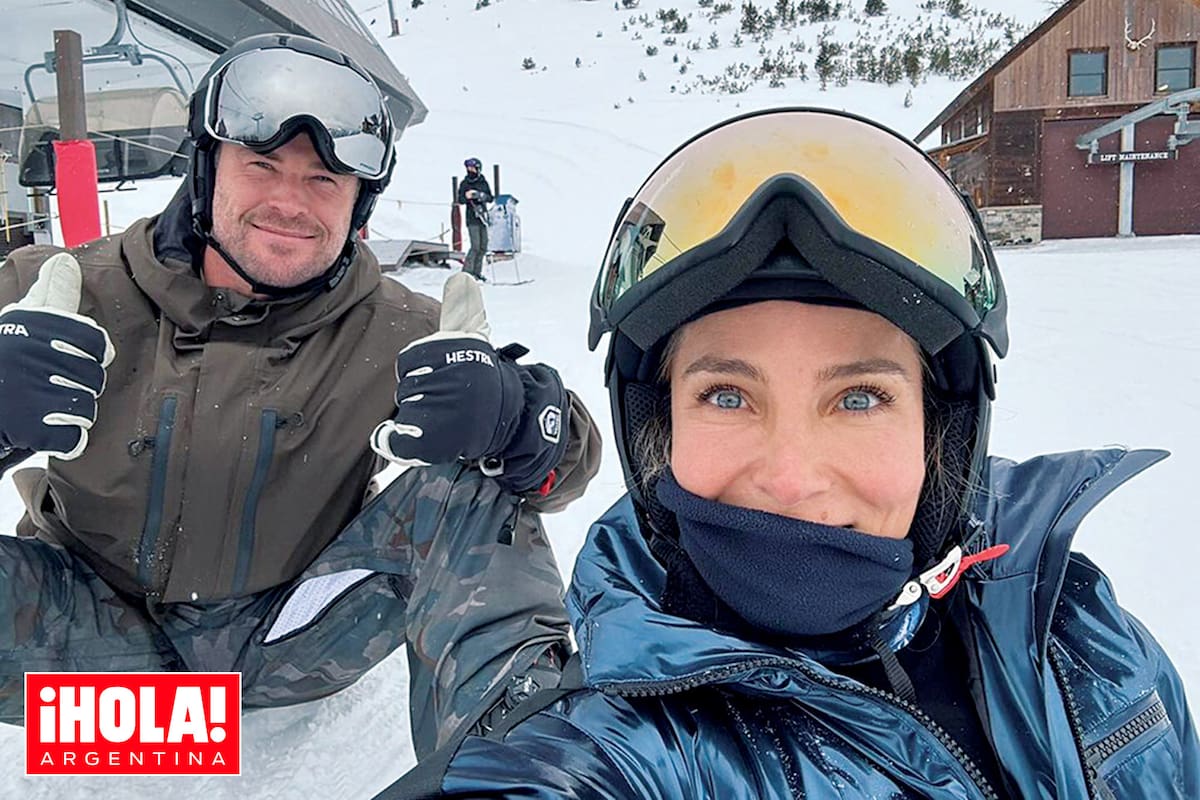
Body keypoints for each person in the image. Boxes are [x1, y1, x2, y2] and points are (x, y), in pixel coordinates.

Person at [380, 108, 1199, 798]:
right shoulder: (617, 751)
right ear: (656, 428)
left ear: (941, 431)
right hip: (257, 672)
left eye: (861, 397)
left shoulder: (1078, 628)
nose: (791, 478)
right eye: (728, 396)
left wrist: (531, 423)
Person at [0, 33, 600, 757]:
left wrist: (512, 417)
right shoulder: (62, 291)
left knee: (470, 495)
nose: (289, 201)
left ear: (358, 203)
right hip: (83, 646)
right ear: (206, 169)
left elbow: (567, 465)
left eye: (324, 181)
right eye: (261, 165)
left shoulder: (402, 328)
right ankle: (170, 734)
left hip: (286, 642)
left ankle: (522, 762)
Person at [457, 157, 492, 279]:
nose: (470, 170)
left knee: (483, 246)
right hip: (472, 218)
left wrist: (481, 196)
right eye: (468, 168)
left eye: (472, 168)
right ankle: (467, 272)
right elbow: (460, 200)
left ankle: (477, 272)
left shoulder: (483, 182)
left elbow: (490, 197)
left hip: (482, 217)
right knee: (475, 246)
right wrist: (467, 196)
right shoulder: (465, 183)